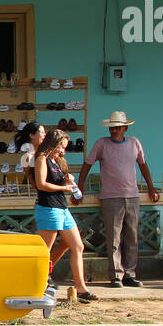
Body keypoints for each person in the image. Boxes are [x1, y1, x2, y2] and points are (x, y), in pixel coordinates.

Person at [77, 110, 159, 288]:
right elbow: (87, 164)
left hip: (132, 195)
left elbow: (143, 166)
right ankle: (115, 275)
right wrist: (80, 187)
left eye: (117, 128)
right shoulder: (102, 144)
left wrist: (151, 188)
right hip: (110, 197)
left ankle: (130, 273)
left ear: (124, 128)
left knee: (132, 236)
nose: (113, 131)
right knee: (113, 237)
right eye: (112, 128)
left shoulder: (134, 143)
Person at [32, 127, 96, 302]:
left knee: (77, 245)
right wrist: (64, 188)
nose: (63, 151)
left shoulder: (57, 161)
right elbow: (41, 184)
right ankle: (38, 281)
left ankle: (81, 287)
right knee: (45, 250)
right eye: (61, 147)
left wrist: (67, 180)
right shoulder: (41, 158)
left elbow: (57, 179)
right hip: (48, 208)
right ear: (53, 144)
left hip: (62, 207)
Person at [15, 121, 67, 277]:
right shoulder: (30, 156)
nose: (44, 135)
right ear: (32, 135)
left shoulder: (48, 154)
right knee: (46, 244)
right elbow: (38, 182)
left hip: (57, 201)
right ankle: (38, 273)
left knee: (66, 241)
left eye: (45, 133)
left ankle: (46, 270)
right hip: (46, 201)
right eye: (41, 132)